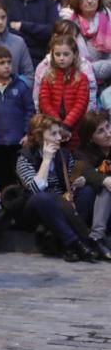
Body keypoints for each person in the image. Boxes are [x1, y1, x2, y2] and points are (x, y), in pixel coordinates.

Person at [17, 114, 97, 262]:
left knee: (87, 191)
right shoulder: (25, 157)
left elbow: (75, 173)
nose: (59, 137)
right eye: (53, 134)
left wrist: (81, 179)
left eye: (59, 133)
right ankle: (78, 242)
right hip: (37, 209)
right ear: (40, 136)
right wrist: (46, 160)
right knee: (44, 197)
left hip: (64, 205)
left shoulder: (64, 153)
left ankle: (68, 245)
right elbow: (35, 189)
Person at [0, 45, 35, 190]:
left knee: (19, 178)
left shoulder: (21, 86)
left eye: (9, 62)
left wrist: (28, 133)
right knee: (1, 178)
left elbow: (30, 111)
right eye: (1, 63)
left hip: (17, 141)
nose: (7, 66)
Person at [37, 33, 89, 145]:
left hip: (74, 128)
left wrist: (66, 125)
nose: (61, 58)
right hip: (52, 129)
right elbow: (44, 102)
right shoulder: (47, 77)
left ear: (75, 54)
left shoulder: (81, 78)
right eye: (57, 54)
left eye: (66, 54)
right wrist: (58, 124)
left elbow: (81, 104)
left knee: (73, 158)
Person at [73, 111, 111, 259]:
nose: (108, 133)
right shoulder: (79, 152)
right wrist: (103, 180)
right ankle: (96, 237)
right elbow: (74, 176)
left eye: (108, 127)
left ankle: (98, 237)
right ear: (90, 138)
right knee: (105, 183)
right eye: (101, 131)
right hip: (89, 206)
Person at [65, 0, 111, 81]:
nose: (90, 0)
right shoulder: (68, 25)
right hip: (77, 83)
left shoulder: (109, 19)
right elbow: (65, 60)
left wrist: (90, 69)